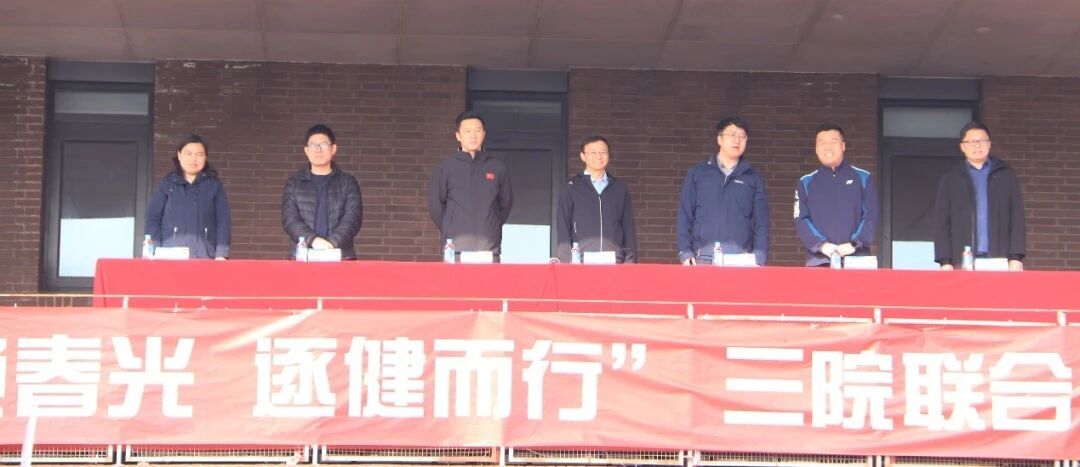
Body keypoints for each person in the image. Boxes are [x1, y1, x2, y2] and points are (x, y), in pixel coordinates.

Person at [933, 121, 1026, 271]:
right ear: (962, 146)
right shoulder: (951, 178)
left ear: (989, 144)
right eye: (971, 142)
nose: (977, 145)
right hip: (962, 259)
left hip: (1000, 258)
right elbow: (942, 223)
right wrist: (945, 261)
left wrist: (1016, 256)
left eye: (982, 140)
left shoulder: (1005, 175)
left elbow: (1017, 217)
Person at [677, 117, 769, 265]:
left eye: (742, 136)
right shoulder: (698, 173)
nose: (737, 140)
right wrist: (685, 251)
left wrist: (760, 256)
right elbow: (685, 215)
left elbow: (762, 222)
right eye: (732, 135)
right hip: (703, 256)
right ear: (719, 139)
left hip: (741, 258)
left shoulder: (753, 178)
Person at [427, 111, 513, 260]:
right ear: (458, 136)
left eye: (477, 131)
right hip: (455, 248)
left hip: (489, 248)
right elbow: (435, 206)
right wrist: (450, 227)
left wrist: (491, 224)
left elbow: (506, 204)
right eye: (467, 131)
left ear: (483, 134)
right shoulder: (446, 168)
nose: (473, 135)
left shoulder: (497, 168)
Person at [794, 123, 879, 267]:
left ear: (843, 146)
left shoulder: (863, 178)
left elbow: (871, 215)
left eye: (833, 142)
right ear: (816, 148)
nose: (828, 147)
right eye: (822, 143)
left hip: (856, 260)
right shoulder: (805, 183)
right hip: (819, 261)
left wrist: (854, 244)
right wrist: (821, 245)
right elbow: (801, 219)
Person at [282, 124, 363, 259]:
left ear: (333, 149)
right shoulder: (294, 183)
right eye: (313, 145)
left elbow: (353, 219)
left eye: (324, 145)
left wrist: (331, 243)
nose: (318, 150)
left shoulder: (348, 183)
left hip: (340, 257)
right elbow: (290, 220)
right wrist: (314, 240)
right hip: (303, 257)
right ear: (306, 151)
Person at [145, 134, 231, 259]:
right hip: (171, 256)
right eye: (188, 154)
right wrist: (154, 250)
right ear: (179, 155)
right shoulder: (167, 184)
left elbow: (223, 221)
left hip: (205, 255)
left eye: (199, 154)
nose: (193, 159)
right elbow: (153, 218)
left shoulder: (214, 185)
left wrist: (221, 254)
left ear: (205, 157)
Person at [556, 135, 638, 263]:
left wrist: (630, 260)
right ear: (583, 156)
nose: (598, 156)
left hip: (615, 260)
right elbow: (563, 227)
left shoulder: (619, 188)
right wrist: (565, 262)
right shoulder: (571, 187)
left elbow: (628, 227)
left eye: (603, 152)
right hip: (581, 260)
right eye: (593, 152)